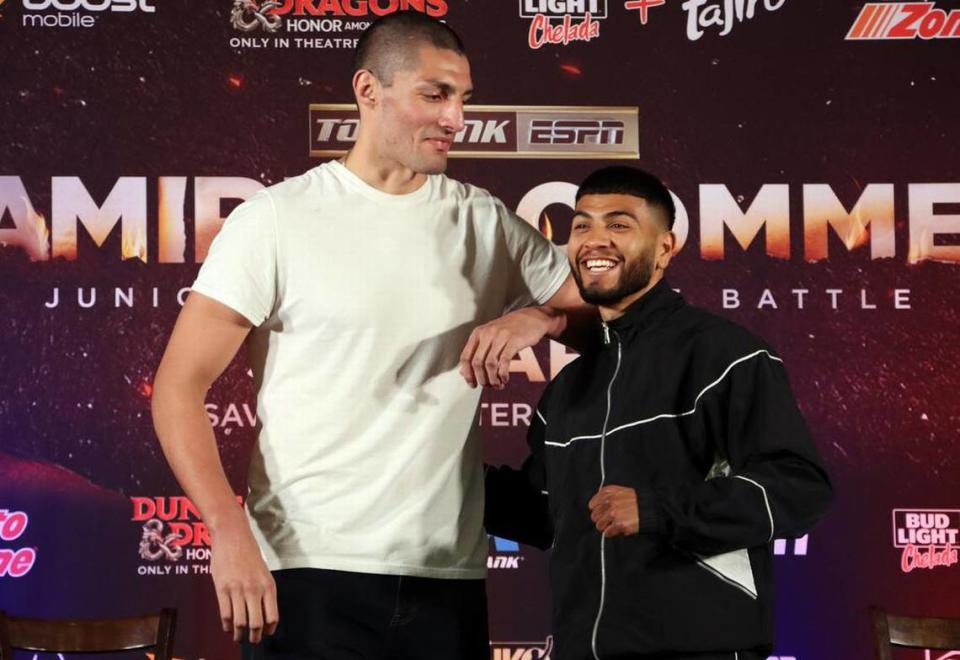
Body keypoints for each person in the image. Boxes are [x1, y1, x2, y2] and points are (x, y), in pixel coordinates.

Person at [151, 12, 592, 660]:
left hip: (446, 577)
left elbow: (602, 312)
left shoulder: (483, 220)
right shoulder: (276, 220)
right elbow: (178, 387)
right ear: (368, 90)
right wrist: (225, 527)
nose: (456, 119)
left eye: (463, 98)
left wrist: (543, 317)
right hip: (306, 572)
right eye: (435, 94)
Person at [486, 166, 833, 660]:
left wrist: (658, 510)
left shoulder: (724, 356)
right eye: (582, 225)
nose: (594, 241)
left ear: (665, 249)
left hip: (703, 651)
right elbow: (546, 517)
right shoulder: (567, 389)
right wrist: (441, 480)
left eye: (619, 225)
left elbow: (800, 490)